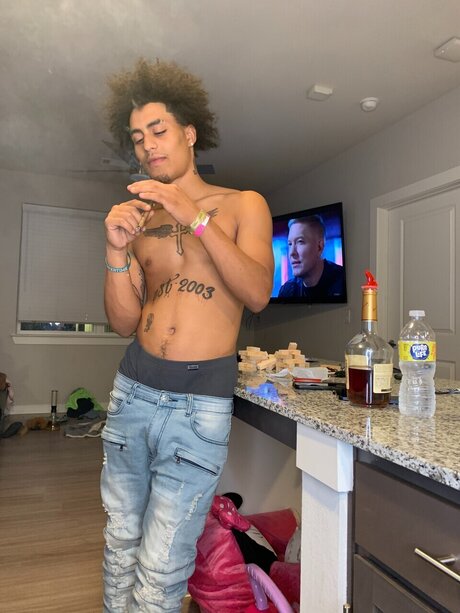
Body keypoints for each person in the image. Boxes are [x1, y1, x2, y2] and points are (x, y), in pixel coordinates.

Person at [100, 58, 274, 612]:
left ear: (190, 133)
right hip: (133, 393)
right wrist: (115, 251)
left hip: (199, 407)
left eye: (158, 130)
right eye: (138, 138)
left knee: (163, 566)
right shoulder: (140, 221)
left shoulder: (244, 204)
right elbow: (123, 322)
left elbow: (257, 292)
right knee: (121, 546)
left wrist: (194, 215)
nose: (148, 146)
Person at [278, 215, 344, 299]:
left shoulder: (343, 281)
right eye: (290, 244)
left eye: (300, 242)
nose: (291, 253)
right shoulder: (287, 291)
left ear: (319, 247)